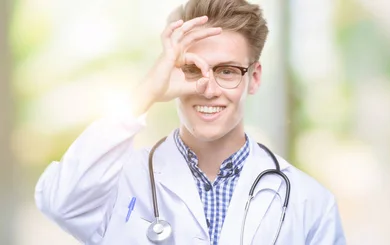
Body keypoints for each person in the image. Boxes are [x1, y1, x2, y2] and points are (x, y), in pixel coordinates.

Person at [34, 0, 346, 244]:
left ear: (254, 78)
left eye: (226, 71)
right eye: (193, 70)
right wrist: (145, 94)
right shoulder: (118, 184)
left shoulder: (310, 204)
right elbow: (61, 203)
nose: (208, 90)